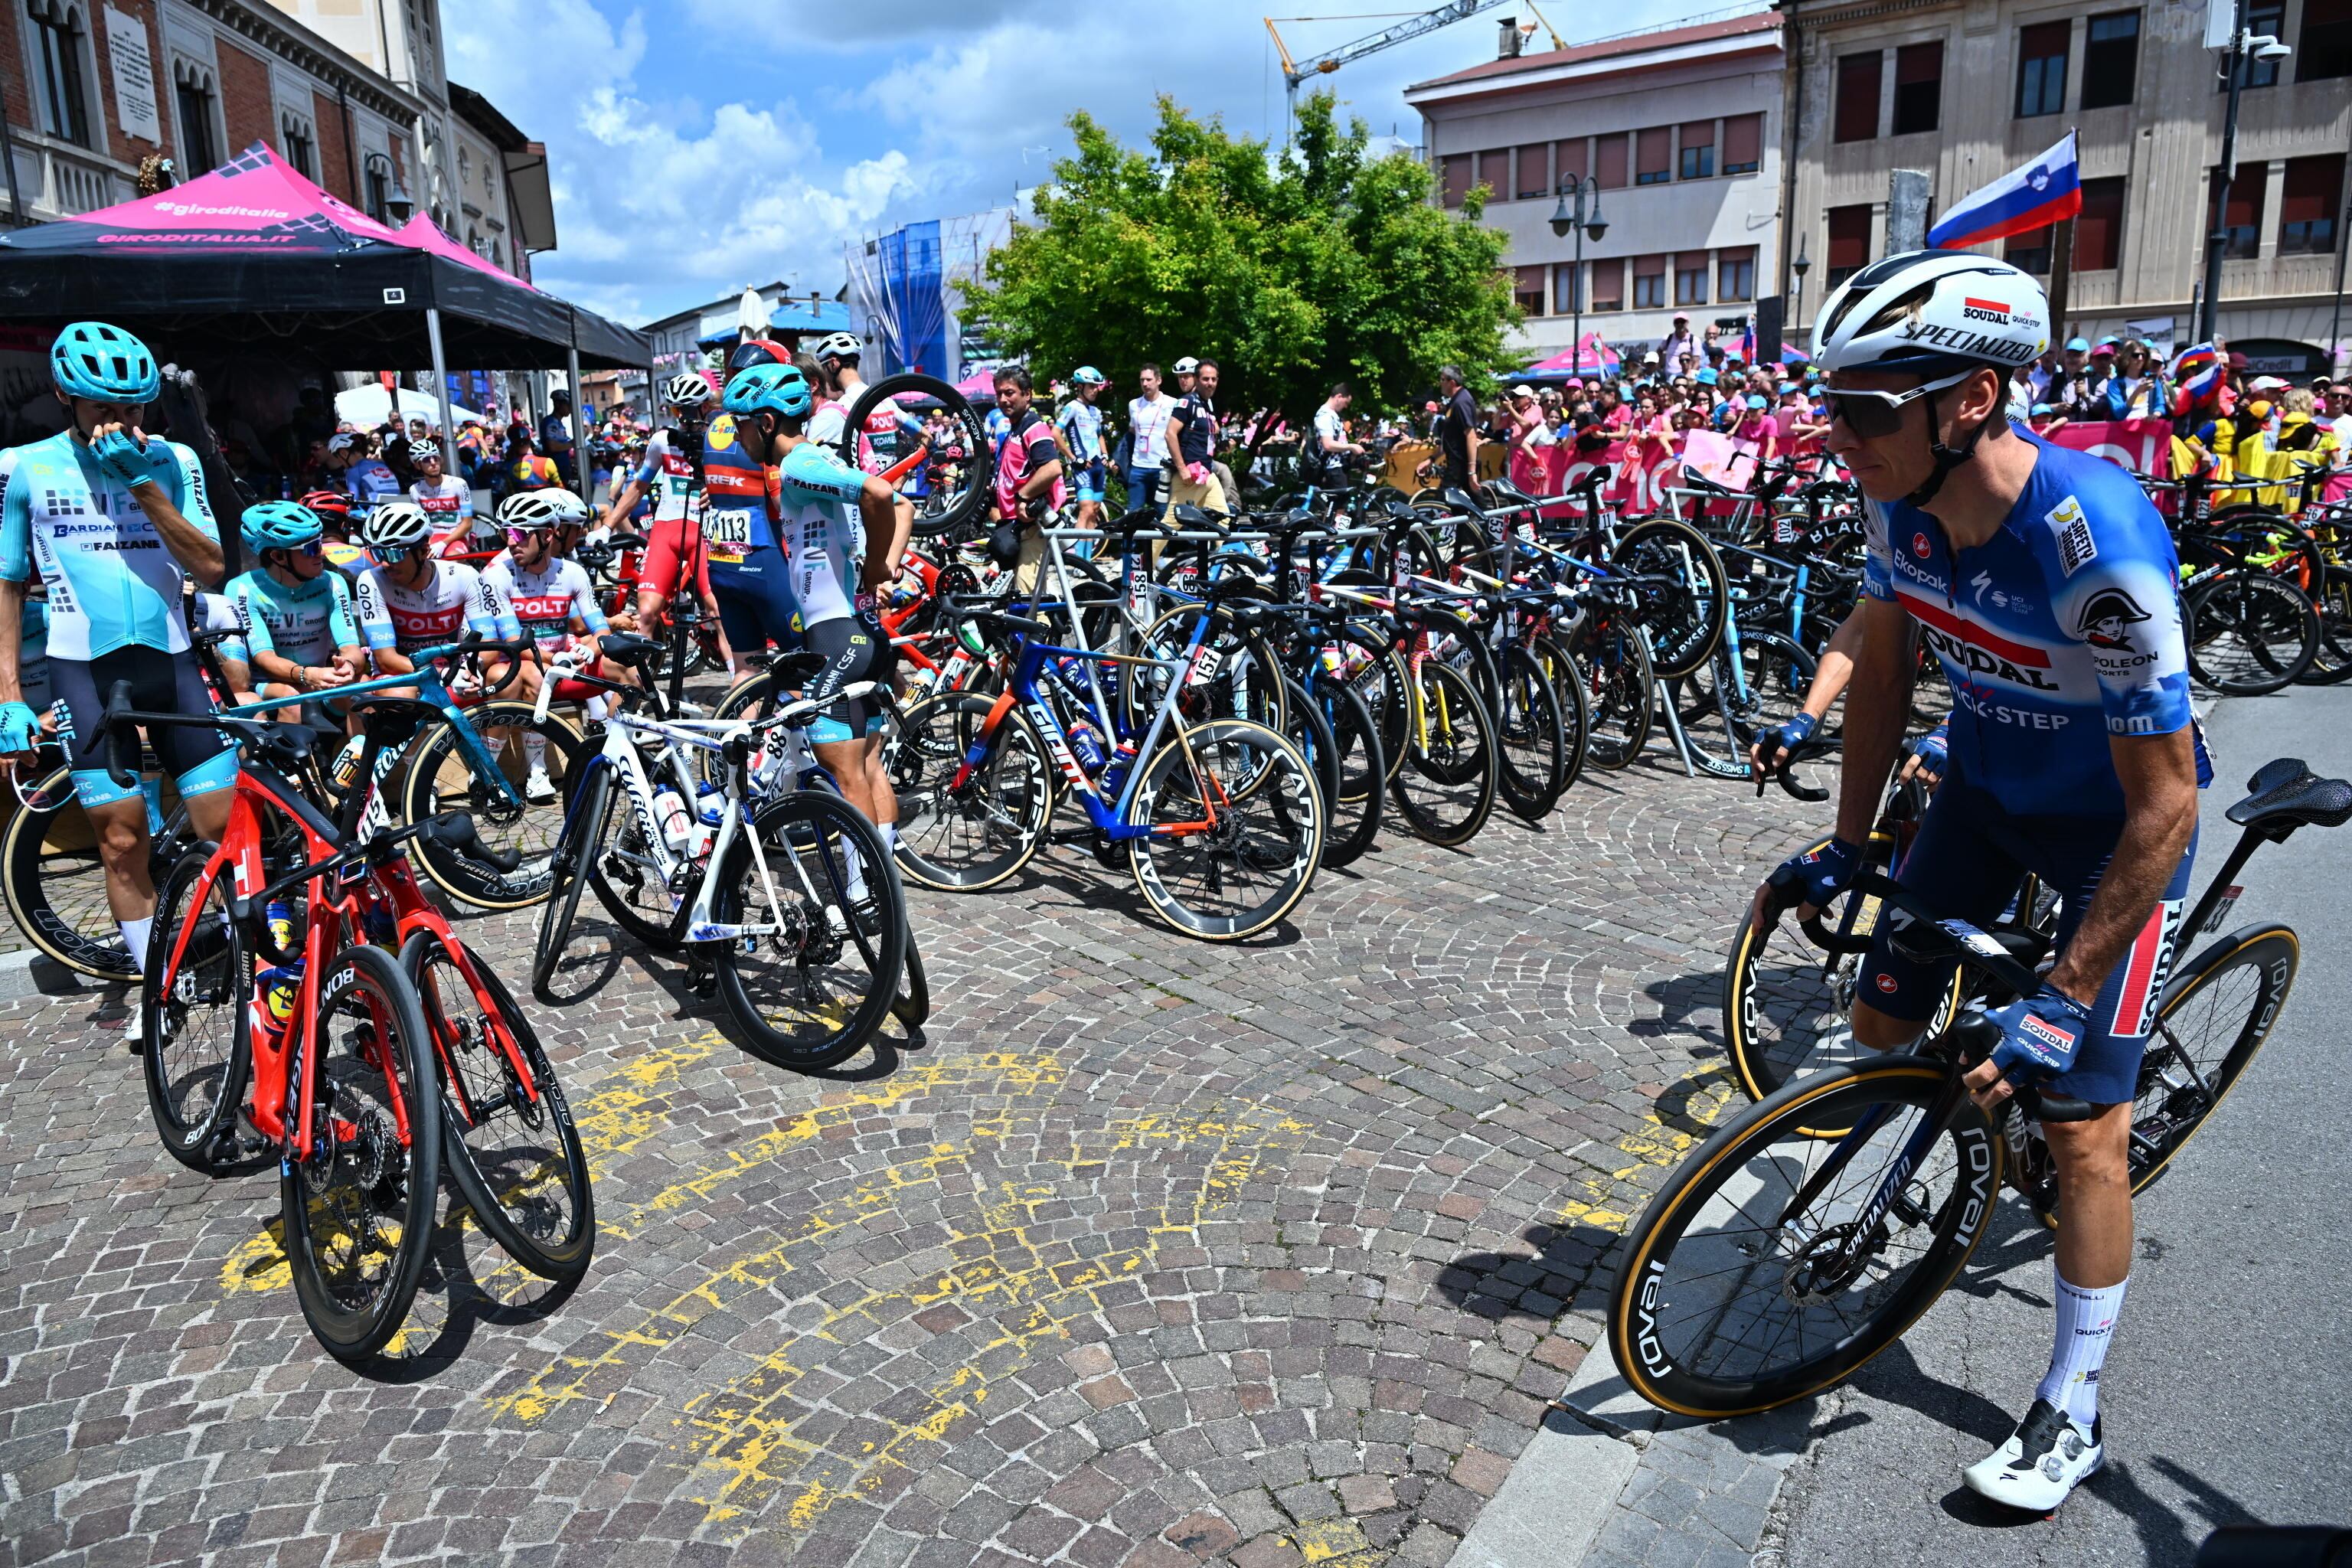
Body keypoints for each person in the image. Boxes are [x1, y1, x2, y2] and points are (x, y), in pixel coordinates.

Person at [1753, 251, 2206, 1514]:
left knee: (2078, 1127)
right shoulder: (1896, 503)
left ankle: (2070, 1409)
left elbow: (2163, 802)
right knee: (1881, 1013)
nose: (1838, 438)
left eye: (1863, 412)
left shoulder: (2092, 542)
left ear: (1970, 402)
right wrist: (1848, 843)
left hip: (2107, 831)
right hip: (1984, 793)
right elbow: (1885, 679)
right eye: (1827, 407)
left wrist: (2065, 990)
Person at [0, 322, 235, 1016]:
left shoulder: (173, 459)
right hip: (84, 672)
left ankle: (233, 954)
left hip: (169, 664)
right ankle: (159, 985)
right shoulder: (23, 467)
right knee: (122, 838)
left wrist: (145, 487)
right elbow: (9, 584)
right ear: (65, 398)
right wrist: (10, 694)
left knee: (220, 827)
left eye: (133, 409)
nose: (121, 423)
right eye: (104, 409)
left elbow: (212, 565)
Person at [720, 361, 906, 880]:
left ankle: (863, 894)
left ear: (766, 422)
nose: (737, 436)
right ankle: (884, 886)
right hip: (859, 632)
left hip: (838, 636)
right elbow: (903, 506)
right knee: (867, 766)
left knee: (845, 774)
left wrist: (876, 566)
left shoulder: (801, 463)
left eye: (740, 424)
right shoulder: (817, 462)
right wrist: (883, 563)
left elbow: (882, 495)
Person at [601, 371, 725, 654]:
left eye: (685, 409)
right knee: (646, 612)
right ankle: (634, 690)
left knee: (717, 610)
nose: (680, 417)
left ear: (704, 407)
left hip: (706, 530)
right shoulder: (662, 440)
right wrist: (607, 526)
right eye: (674, 409)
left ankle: (742, 691)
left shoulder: (722, 438)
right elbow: (638, 486)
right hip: (668, 530)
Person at [218, 501, 364, 728]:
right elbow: (264, 658)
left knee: (360, 691)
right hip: (268, 684)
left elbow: (350, 646)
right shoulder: (243, 589)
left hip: (318, 677)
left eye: (320, 543)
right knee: (289, 697)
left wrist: (349, 665)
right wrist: (307, 675)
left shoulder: (332, 583)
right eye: (311, 548)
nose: (322, 553)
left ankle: (359, 762)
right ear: (278, 556)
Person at [351, 500, 510, 679]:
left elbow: (490, 645)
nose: (386, 563)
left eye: (394, 554)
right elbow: (386, 659)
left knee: (501, 675)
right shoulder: (372, 580)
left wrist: (466, 672)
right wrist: (444, 675)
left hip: (456, 672)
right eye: (378, 553)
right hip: (403, 675)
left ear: (423, 551)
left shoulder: (464, 576)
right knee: (401, 694)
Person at [991, 366, 1067, 591]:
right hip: (1017, 527)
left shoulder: (1034, 427)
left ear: (1027, 394)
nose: (1003, 399)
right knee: (1028, 592)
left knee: (1028, 599)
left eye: (1009, 392)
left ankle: (1041, 626)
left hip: (1033, 525)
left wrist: (1023, 497)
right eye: (999, 394)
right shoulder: (1015, 429)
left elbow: (1052, 468)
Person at [1161, 359, 1224, 524]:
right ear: (1197, 379)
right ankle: (1148, 552)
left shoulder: (1206, 405)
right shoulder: (1187, 402)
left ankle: (1225, 551)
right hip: (1191, 476)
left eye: (1213, 379)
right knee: (1171, 526)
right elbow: (1170, 434)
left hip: (1207, 474)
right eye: (1205, 379)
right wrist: (1182, 469)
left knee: (1223, 522)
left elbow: (1212, 432)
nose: (1210, 383)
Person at [1056, 366, 1110, 529]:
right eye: (1091, 386)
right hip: (1082, 466)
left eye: (1097, 387)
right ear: (1080, 387)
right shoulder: (1072, 407)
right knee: (1086, 510)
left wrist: (1106, 455)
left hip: (1098, 466)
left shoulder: (1096, 411)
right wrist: (1073, 458)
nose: (1095, 390)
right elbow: (1055, 433)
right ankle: (1079, 555)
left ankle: (1087, 556)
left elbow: (1099, 435)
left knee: (1094, 512)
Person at [1125, 364, 1178, 511]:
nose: (1145, 384)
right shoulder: (1134, 404)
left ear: (1159, 380)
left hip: (1162, 467)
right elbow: (1133, 430)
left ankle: (1161, 536)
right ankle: (1131, 536)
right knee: (1133, 511)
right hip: (1139, 465)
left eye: (1149, 380)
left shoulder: (1171, 403)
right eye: (1142, 380)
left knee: (1163, 510)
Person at [1434, 365, 1479, 493]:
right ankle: (1490, 514)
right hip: (1457, 462)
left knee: (1443, 499)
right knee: (1474, 504)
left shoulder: (1461, 402)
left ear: (1452, 382)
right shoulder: (1455, 401)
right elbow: (1449, 438)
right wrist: (1431, 459)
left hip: (1460, 464)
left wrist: (1472, 471)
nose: (1440, 383)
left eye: (1442, 380)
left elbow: (1471, 435)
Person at [1311, 381, 1364, 488]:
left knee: (1339, 502)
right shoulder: (1325, 415)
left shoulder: (1332, 415)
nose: (1346, 407)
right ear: (1339, 397)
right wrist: (1351, 447)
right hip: (1333, 468)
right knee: (1341, 503)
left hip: (1338, 467)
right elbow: (1328, 444)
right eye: (1346, 403)